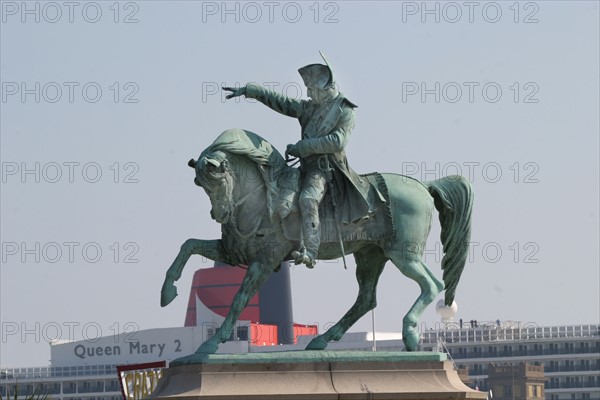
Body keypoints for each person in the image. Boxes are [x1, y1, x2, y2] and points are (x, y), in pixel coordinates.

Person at [223, 52, 373, 268]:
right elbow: (282, 102)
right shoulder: (310, 108)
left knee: (307, 199)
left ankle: (310, 251)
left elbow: (338, 141)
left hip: (326, 170)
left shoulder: (344, 110)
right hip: (303, 168)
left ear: (324, 88)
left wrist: (303, 147)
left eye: (312, 89)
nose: (309, 94)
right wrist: (253, 91)